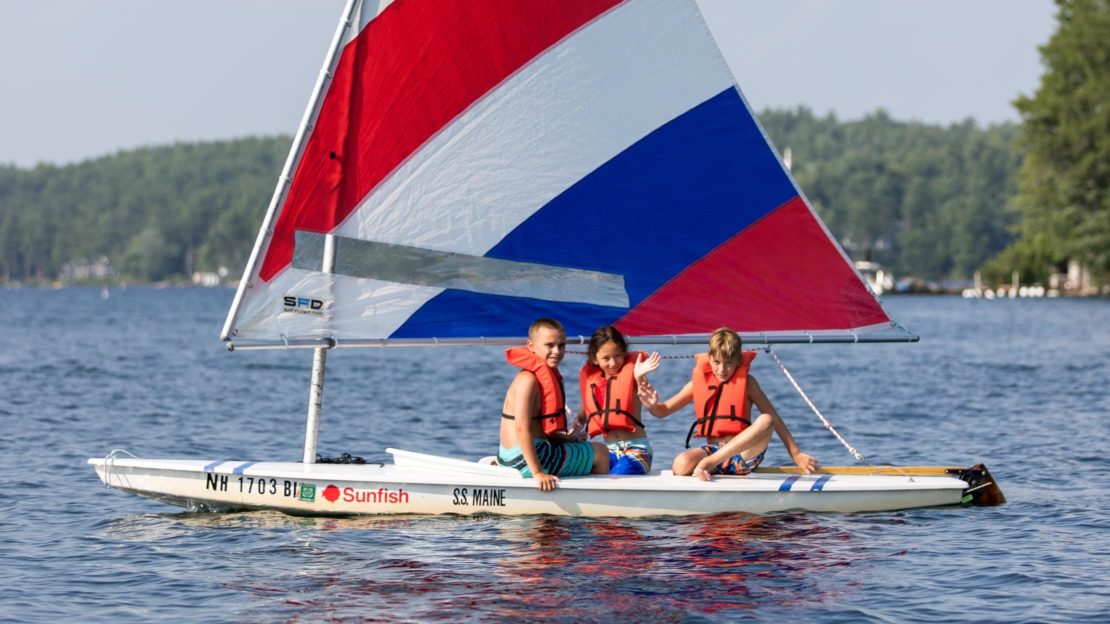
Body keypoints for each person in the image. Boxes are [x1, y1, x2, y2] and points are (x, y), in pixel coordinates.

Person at [637, 327, 818, 480]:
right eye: (716, 362)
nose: (722, 369)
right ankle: (711, 464)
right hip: (712, 450)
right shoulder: (697, 384)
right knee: (680, 464)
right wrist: (652, 405)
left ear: (738, 361)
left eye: (729, 363)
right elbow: (663, 411)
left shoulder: (748, 383)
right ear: (709, 358)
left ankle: (708, 464)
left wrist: (796, 454)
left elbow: (774, 420)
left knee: (766, 420)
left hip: (743, 453)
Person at [498, 318, 610, 490]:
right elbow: (522, 428)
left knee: (579, 445)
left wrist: (568, 439)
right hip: (526, 461)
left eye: (561, 345)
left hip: (509, 456)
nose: (557, 351)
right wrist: (538, 473)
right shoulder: (528, 380)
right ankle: (598, 502)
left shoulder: (536, 376)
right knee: (601, 452)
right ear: (531, 346)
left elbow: (538, 428)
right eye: (549, 345)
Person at [574, 325, 664, 475]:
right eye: (606, 358)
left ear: (624, 353)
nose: (613, 363)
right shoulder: (592, 383)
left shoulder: (634, 376)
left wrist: (640, 375)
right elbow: (582, 417)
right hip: (607, 451)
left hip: (637, 450)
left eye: (618, 356)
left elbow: (643, 389)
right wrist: (575, 432)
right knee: (579, 470)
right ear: (594, 359)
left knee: (617, 476)